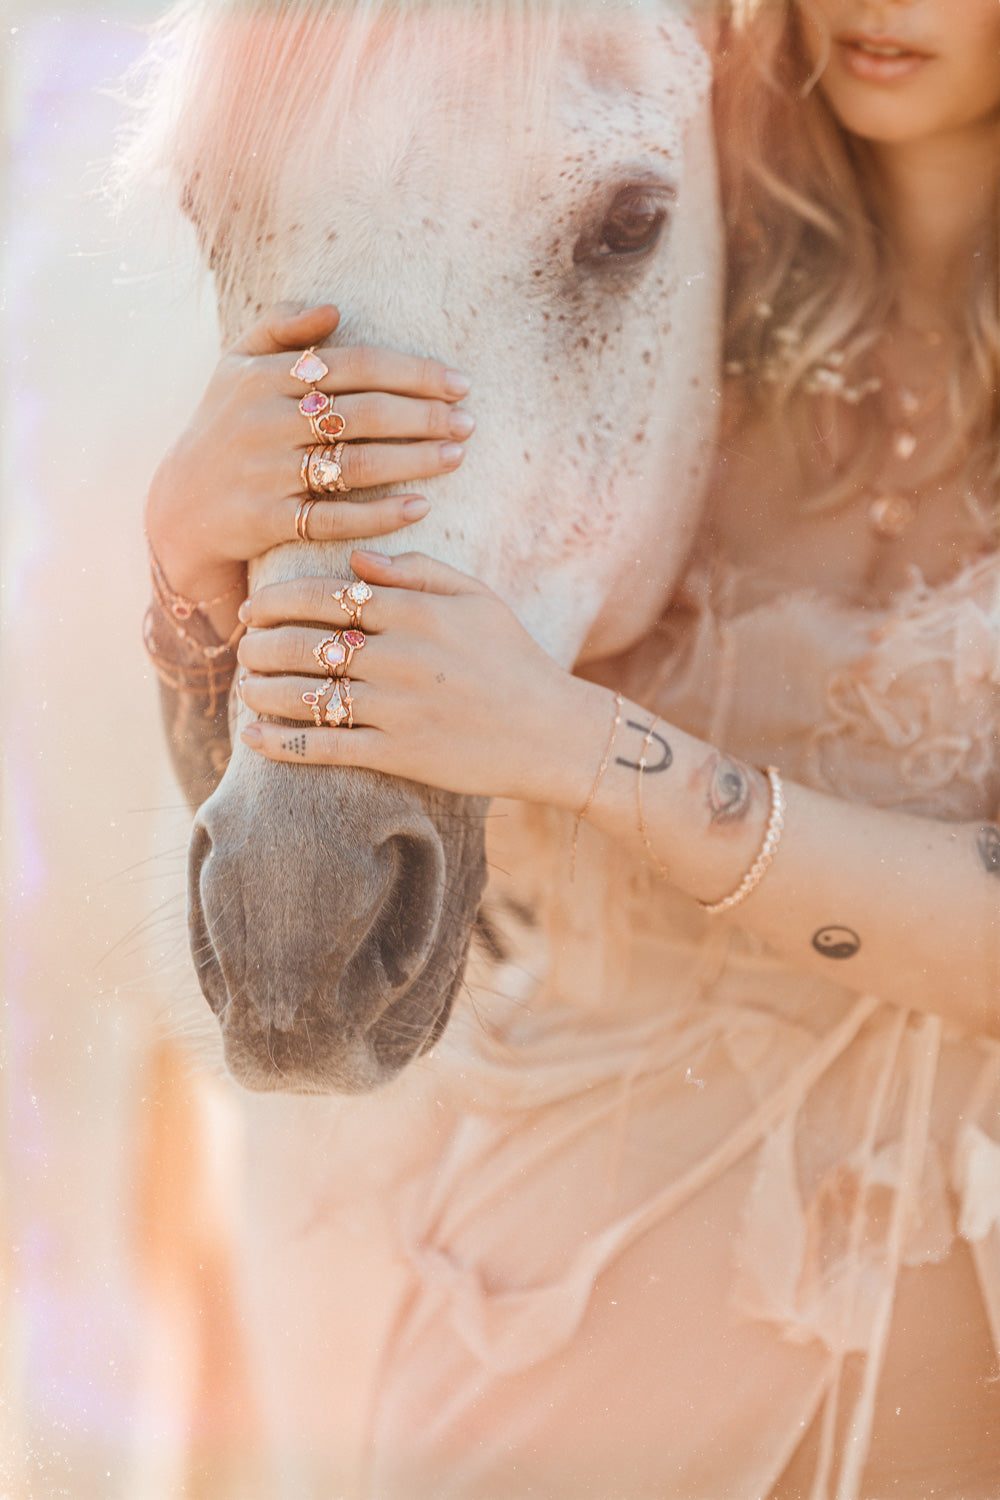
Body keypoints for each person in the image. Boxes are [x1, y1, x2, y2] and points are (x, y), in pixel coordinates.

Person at [144, 1, 1000, 1494]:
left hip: (932, 1306)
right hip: (567, 1284)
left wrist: (589, 752)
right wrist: (195, 567)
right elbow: (327, 840)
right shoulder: (659, 300)